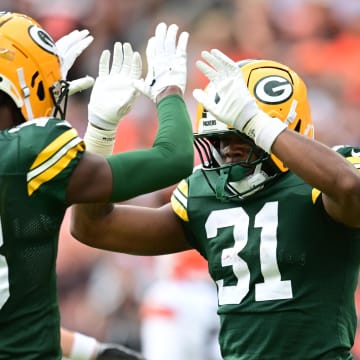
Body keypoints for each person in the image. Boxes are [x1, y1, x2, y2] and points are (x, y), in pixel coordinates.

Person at [72, 48, 360, 359]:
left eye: (242, 136)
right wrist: (100, 135)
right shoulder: (206, 196)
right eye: (220, 140)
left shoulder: (327, 179)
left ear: (283, 126)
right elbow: (93, 227)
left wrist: (255, 121)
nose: (228, 151)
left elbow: (348, 186)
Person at [0, 11, 194, 359]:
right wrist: (169, 90)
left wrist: (96, 352)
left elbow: (16, 320)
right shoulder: (27, 151)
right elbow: (174, 158)